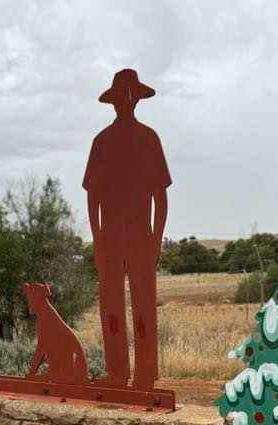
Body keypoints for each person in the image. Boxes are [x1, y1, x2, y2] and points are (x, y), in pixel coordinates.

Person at [83, 69, 171, 391]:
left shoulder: (149, 139)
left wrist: (156, 239)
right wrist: (97, 240)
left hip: (139, 235)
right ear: (116, 101)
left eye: (131, 96)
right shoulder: (102, 142)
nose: (127, 101)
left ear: (137, 100)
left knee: (144, 304)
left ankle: (145, 374)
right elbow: (92, 199)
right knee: (111, 305)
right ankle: (117, 373)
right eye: (123, 96)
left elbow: (161, 198)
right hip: (111, 237)